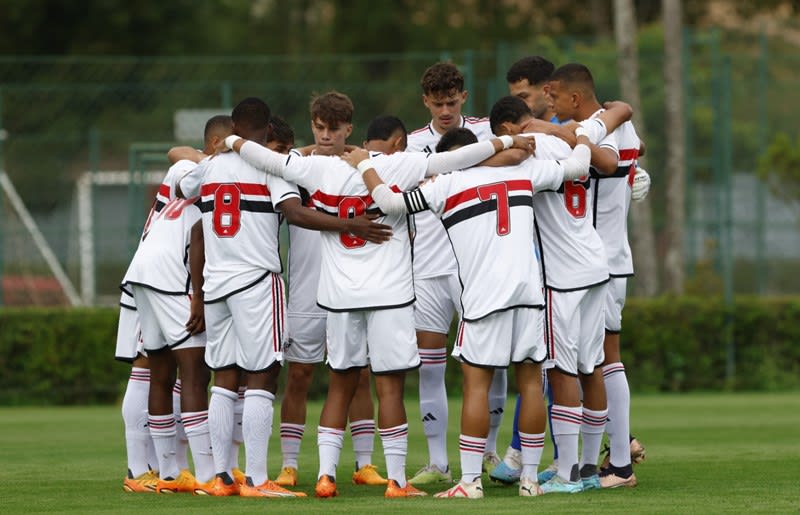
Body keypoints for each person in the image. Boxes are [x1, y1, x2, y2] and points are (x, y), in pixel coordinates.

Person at [224, 121, 532, 498]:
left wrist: (232, 140)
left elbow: (267, 158)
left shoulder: (314, 167)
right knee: (389, 388)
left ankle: (325, 476)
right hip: (390, 296)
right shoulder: (397, 165)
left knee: (339, 386)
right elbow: (461, 157)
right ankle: (397, 482)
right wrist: (507, 140)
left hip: (338, 298)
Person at [345, 117, 595, 498]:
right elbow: (578, 166)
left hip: (482, 298)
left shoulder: (446, 182)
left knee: (476, 383)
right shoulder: (524, 172)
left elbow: (391, 203)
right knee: (530, 383)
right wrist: (579, 134)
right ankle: (529, 481)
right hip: (530, 292)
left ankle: (469, 482)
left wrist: (364, 163)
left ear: (450, 159)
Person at [178, 97, 389, 498]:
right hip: (256, 282)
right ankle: (257, 480)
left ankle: (223, 477)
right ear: (266, 134)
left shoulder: (207, 168)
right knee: (263, 375)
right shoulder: (267, 167)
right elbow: (295, 214)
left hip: (217, 284)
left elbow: (182, 181)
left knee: (224, 379)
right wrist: (351, 224)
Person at [491, 95, 637, 494]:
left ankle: (567, 471)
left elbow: (491, 167)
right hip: (596, 263)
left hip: (561, 276)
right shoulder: (573, 139)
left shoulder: (529, 156)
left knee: (561, 370)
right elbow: (615, 118)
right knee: (592, 367)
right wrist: (560, 130)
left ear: (507, 130)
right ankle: (589, 468)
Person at [273, 98, 389, 489]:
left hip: (350, 288)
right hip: (306, 290)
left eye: (334, 129)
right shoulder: (298, 168)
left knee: (358, 375)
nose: (326, 135)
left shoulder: (364, 167)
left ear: (348, 130)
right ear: (312, 125)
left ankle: (364, 464)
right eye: (320, 127)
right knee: (299, 375)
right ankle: (289, 465)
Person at [121, 115, 233, 494]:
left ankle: (167, 472)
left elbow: (181, 153)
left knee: (159, 370)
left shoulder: (187, 172)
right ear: (216, 144)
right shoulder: (200, 172)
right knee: (194, 369)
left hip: (143, 271)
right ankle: (204, 473)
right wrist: (198, 296)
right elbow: (199, 235)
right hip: (171, 275)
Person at [406, 61, 506, 483]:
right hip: (427, 264)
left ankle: (488, 452)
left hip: (477, 264)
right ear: (425, 101)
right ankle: (438, 463)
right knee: (429, 365)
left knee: (489, 362)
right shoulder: (411, 144)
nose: (445, 111)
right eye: (437, 103)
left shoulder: (486, 131)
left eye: (451, 102)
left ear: (463, 97)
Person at [548, 63, 644, 489]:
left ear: (574, 97)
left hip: (601, 261)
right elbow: (620, 118)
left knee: (605, 357)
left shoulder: (598, 128)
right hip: (602, 260)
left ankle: (619, 463)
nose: (551, 107)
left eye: (554, 98)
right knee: (595, 358)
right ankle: (595, 461)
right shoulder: (613, 123)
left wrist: (541, 127)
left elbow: (597, 143)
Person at [116, 291, 158, 493]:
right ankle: (137, 470)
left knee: (171, 369)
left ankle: (157, 467)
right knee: (144, 362)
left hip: (170, 282)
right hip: (155, 282)